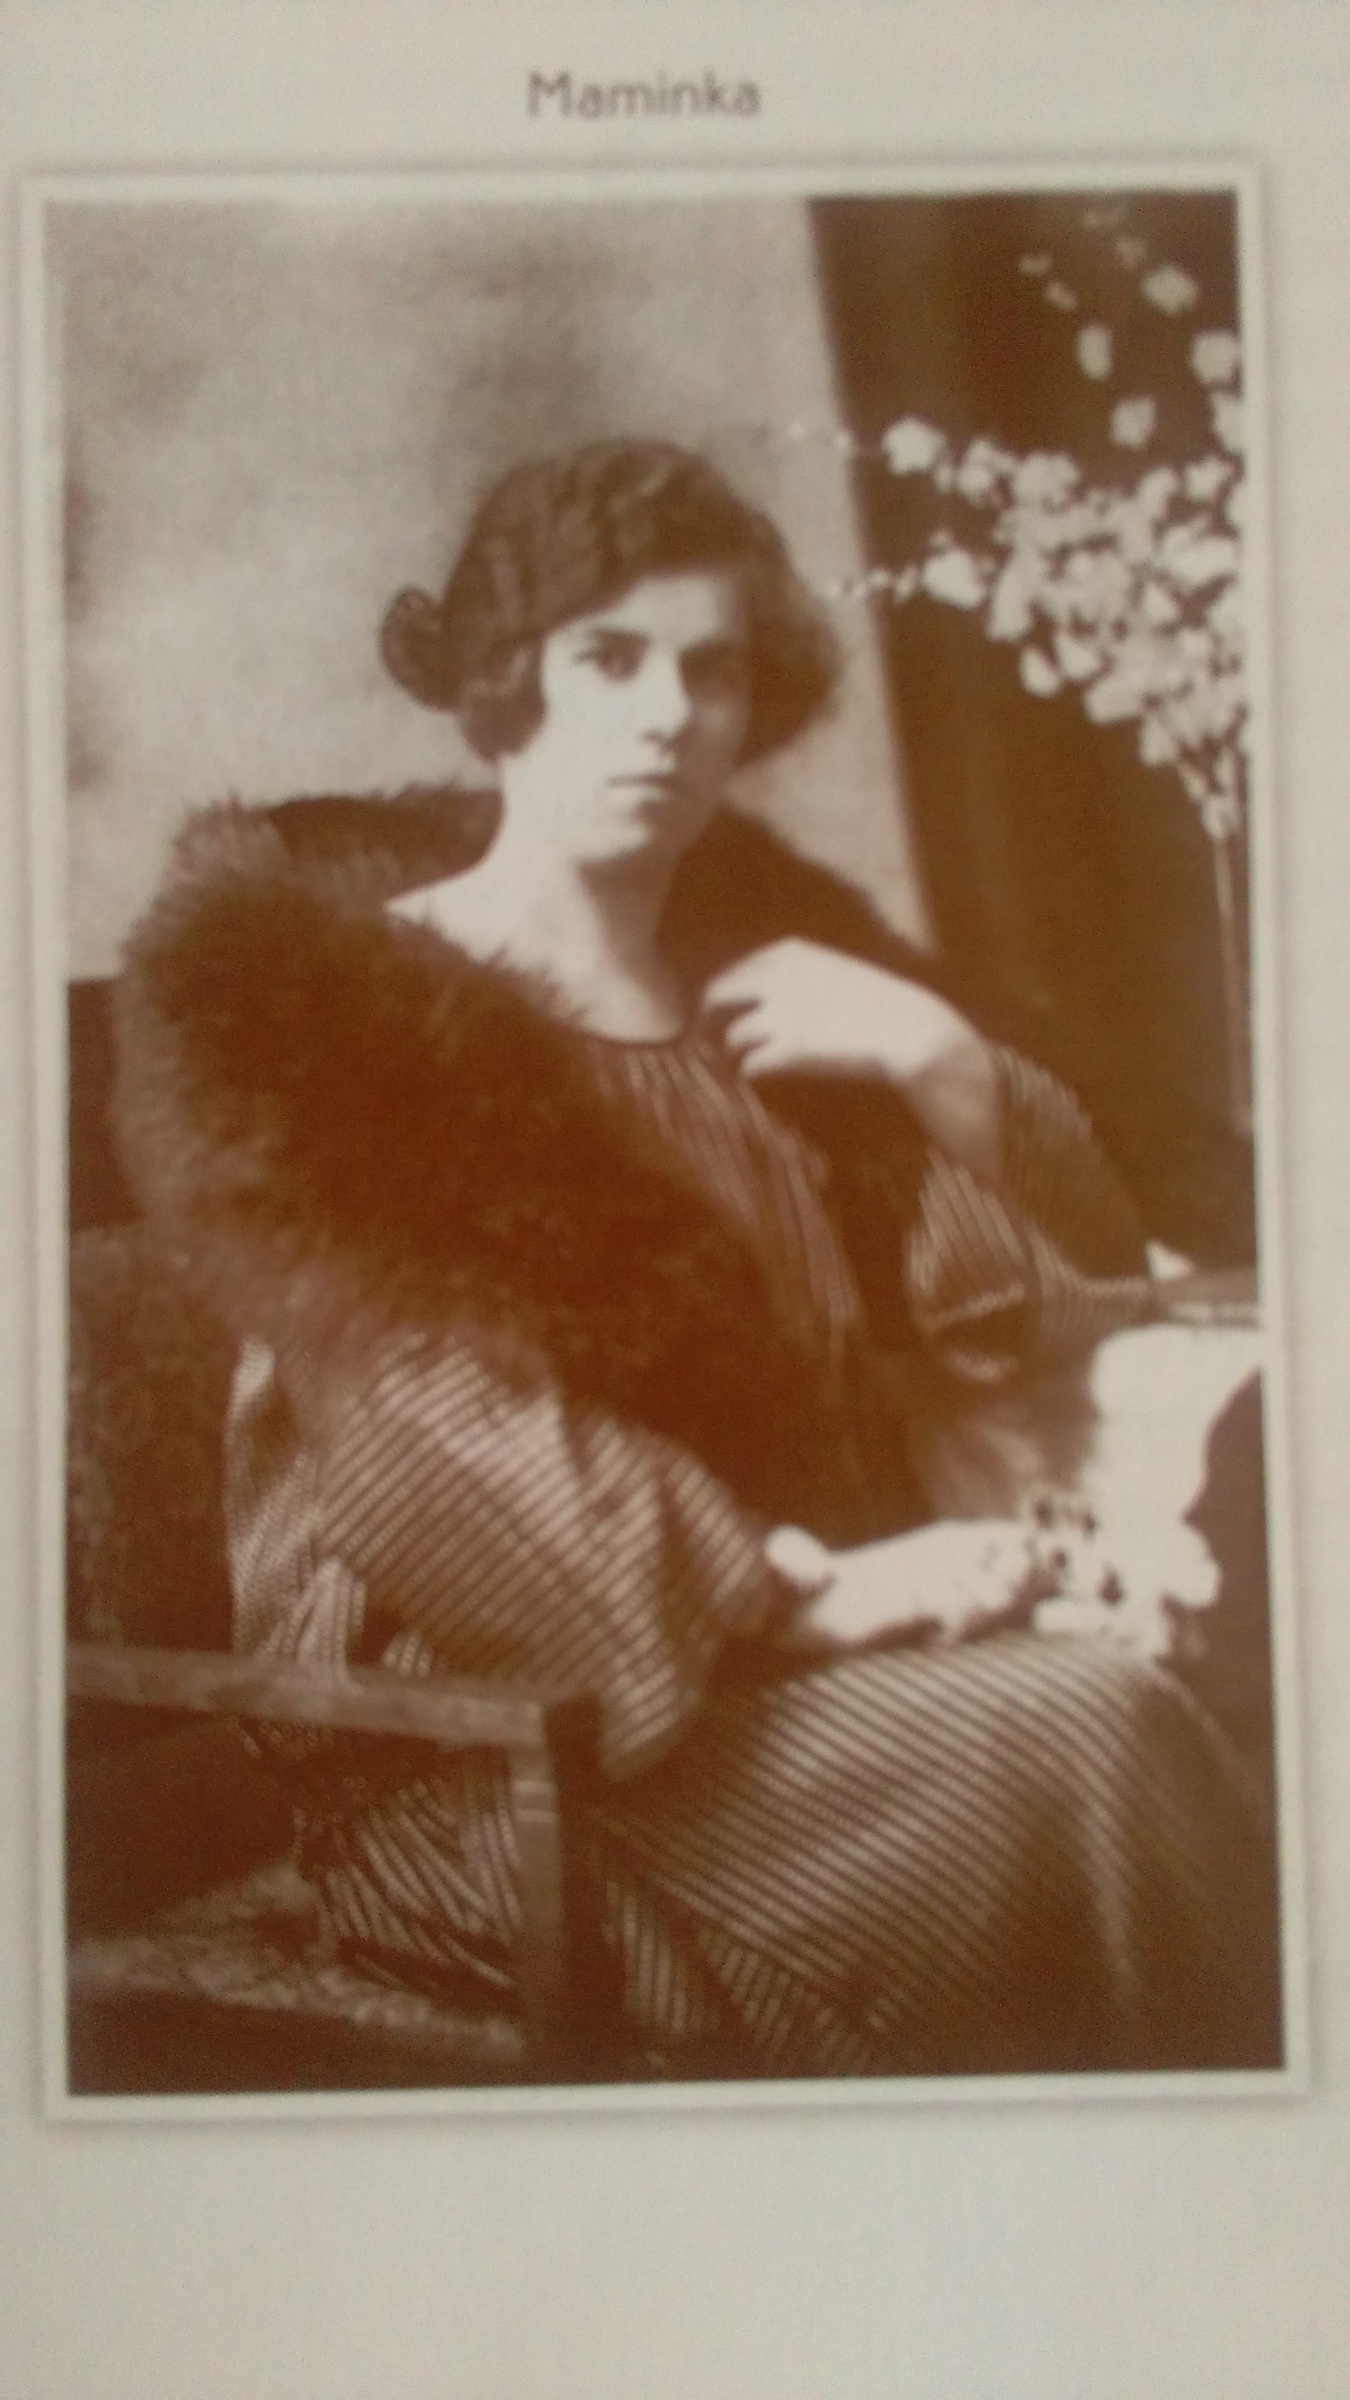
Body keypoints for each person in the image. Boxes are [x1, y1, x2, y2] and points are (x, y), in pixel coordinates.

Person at [114, 438, 1278, 2078]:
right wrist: (810, 1595)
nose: (666, 714)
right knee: (1090, 1732)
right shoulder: (359, 1024)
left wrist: (936, 1059)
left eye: (710, 669)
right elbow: (425, 1433)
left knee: (1232, 1690)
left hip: (792, 1698)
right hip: (508, 1757)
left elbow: (1023, 1320)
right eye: (608, 659)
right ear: (503, 685)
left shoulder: (772, 1007)